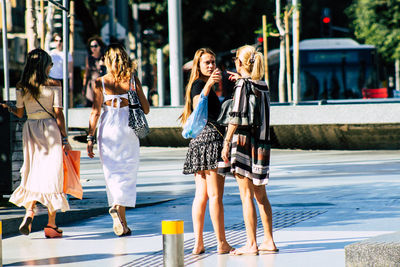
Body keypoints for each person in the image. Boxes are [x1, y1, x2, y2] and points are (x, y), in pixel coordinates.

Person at [1, 49, 71, 238]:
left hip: (30, 129)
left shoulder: (22, 86)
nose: (52, 67)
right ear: (44, 65)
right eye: (50, 63)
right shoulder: (54, 84)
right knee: (52, 175)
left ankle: (29, 212)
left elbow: (20, 113)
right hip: (49, 130)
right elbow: (58, 113)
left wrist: (10, 107)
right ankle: (51, 225)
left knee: (33, 172)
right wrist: (65, 137)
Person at [219, 45, 278, 255]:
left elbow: (235, 117)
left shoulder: (242, 85)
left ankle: (251, 243)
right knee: (261, 195)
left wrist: (226, 142)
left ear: (239, 63)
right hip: (261, 145)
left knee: (246, 196)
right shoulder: (262, 85)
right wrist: (242, 80)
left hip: (244, 143)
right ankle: (268, 240)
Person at [87, 43, 150, 237]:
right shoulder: (132, 80)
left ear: (107, 60)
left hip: (107, 129)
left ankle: (118, 214)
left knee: (112, 173)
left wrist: (90, 138)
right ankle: (121, 219)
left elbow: (95, 112)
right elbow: (146, 109)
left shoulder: (100, 82)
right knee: (127, 172)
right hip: (127, 128)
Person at [180, 48, 232, 255]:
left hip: (198, 142)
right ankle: (221, 243)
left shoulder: (198, 84)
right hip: (210, 140)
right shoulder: (200, 84)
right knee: (215, 196)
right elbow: (196, 107)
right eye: (206, 63)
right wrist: (209, 85)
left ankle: (198, 243)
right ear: (198, 66)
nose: (211, 66)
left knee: (201, 196)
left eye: (213, 62)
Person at [82, 36, 106, 107]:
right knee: (90, 105)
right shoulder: (89, 58)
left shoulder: (104, 57)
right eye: (91, 46)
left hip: (103, 84)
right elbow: (86, 72)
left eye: (95, 46)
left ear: (100, 46)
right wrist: (84, 86)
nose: (93, 48)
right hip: (92, 84)